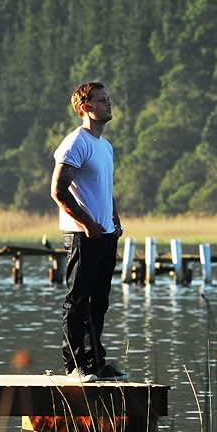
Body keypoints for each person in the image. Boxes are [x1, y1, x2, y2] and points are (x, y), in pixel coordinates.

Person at [50, 81, 127, 382]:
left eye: (108, 98)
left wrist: (114, 220)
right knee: (78, 300)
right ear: (86, 107)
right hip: (82, 235)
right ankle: (74, 365)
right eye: (102, 100)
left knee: (100, 301)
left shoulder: (104, 146)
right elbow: (58, 191)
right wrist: (88, 224)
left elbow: (104, 189)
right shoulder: (75, 143)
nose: (109, 103)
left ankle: (97, 362)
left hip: (105, 234)